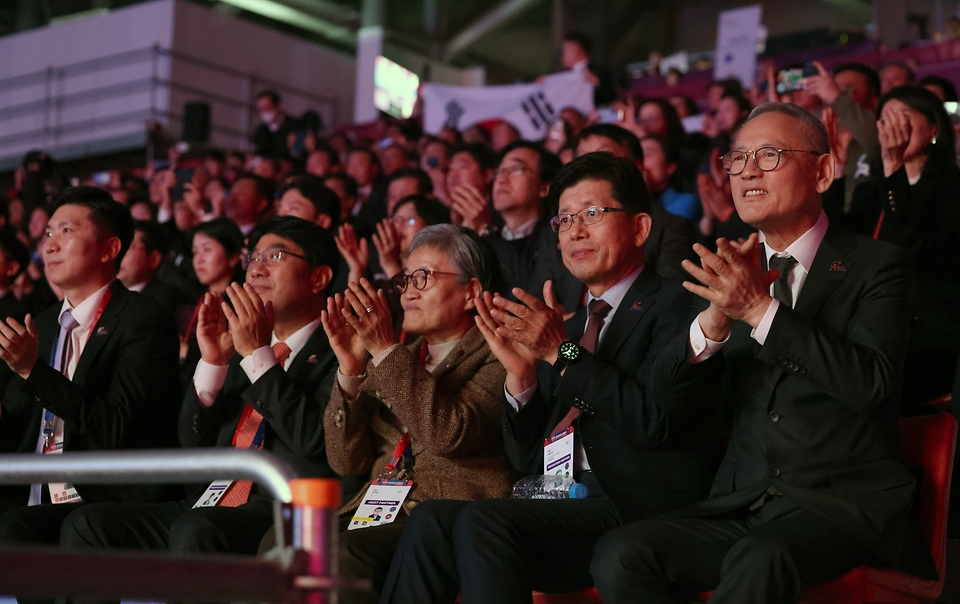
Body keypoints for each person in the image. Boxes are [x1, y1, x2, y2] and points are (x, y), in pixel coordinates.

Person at [590, 102, 935, 604]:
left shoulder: (878, 265)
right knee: (623, 553)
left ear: (822, 172)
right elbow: (665, 401)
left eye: (769, 155)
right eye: (737, 158)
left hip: (841, 506)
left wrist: (757, 308)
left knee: (762, 556)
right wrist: (712, 323)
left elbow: (872, 383)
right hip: (743, 501)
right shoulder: (725, 267)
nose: (747, 170)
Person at [380, 152, 715, 604]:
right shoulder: (570, 328)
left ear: (639, 228)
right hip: (557, 501)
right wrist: (520, 378)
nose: (575, 230)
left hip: (635, 504)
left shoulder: (677, 306)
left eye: (592, 214)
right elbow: (522, 459)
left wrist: (560, 352)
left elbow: (653, 419)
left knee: (484, 521)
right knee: (433, 519)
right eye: (564, 220)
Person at [60, 216, 358, 558]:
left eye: (274, 257)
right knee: (87, 525)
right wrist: (213, 363)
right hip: (212, 499)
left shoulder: (342, 346)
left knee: (197, 528)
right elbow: (190, 441)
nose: (257, 270)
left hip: (287, 507)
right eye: (253, 258)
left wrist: (259, 355)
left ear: (319, 277)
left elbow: (314, 440)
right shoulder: (242, 343)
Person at [317, 224, 515, 604]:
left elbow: (448, 434)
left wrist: (385, 352)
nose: (407, 292)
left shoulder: (500, 353)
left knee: (341, 557)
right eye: (406, 279)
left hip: (444, 516)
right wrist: (349, 370)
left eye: (423, 278)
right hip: (374, 510)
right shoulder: (398, 355)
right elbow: (346, 460)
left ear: (471, 292)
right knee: (280, 542)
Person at [0, 186, 181, 532]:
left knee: (14, 528)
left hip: (99, 499)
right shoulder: (40, 324)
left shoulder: (143, 320)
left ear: (109, 249)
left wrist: (32, 371)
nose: (50, 245)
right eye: (48, 233)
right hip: (29, 493)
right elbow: (17, 430)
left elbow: (116, 427)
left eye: (66, 231)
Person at [824, 85, 960, 408]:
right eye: (884, 120)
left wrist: (894, 169)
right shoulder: (873, 191)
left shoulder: (952, 189)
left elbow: (910, 250)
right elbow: (832, 247)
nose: (892, 128)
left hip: (925, 331)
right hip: (865, 325)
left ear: (934, 129)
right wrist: (836, 171)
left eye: (903, 118)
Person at [484, 141, 562, 296]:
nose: (501, 179)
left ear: (544, 188)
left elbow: (532, 294)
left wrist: (486, 229)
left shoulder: (557, 237)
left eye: (516, 169)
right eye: (499, 171)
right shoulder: (485, 239)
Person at [804, 61, 881, 207]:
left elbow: (872, 136)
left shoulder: (883, 138)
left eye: (847, 90)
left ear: (874, 102)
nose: (834, 96)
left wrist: (837, 97)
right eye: (834, 88)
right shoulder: (818, 142)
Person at [118, 220, 190, 316]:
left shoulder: (163, 299)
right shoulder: (106, 295)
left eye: (128, 248)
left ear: (153, 259)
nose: (118, 255)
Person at [561, 32, 617, 106]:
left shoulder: (599, 71)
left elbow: (611, 97)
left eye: (566, 50)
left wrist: (596, 83)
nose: (563, 55)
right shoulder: (564, 76)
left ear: (577, 49)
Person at [252, 90, 301, 158]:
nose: (264, 113)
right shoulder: (261, 131)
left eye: (267, 108)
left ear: (278, 106)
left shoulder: (295, 126)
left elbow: (298, 154)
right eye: (261, 109)